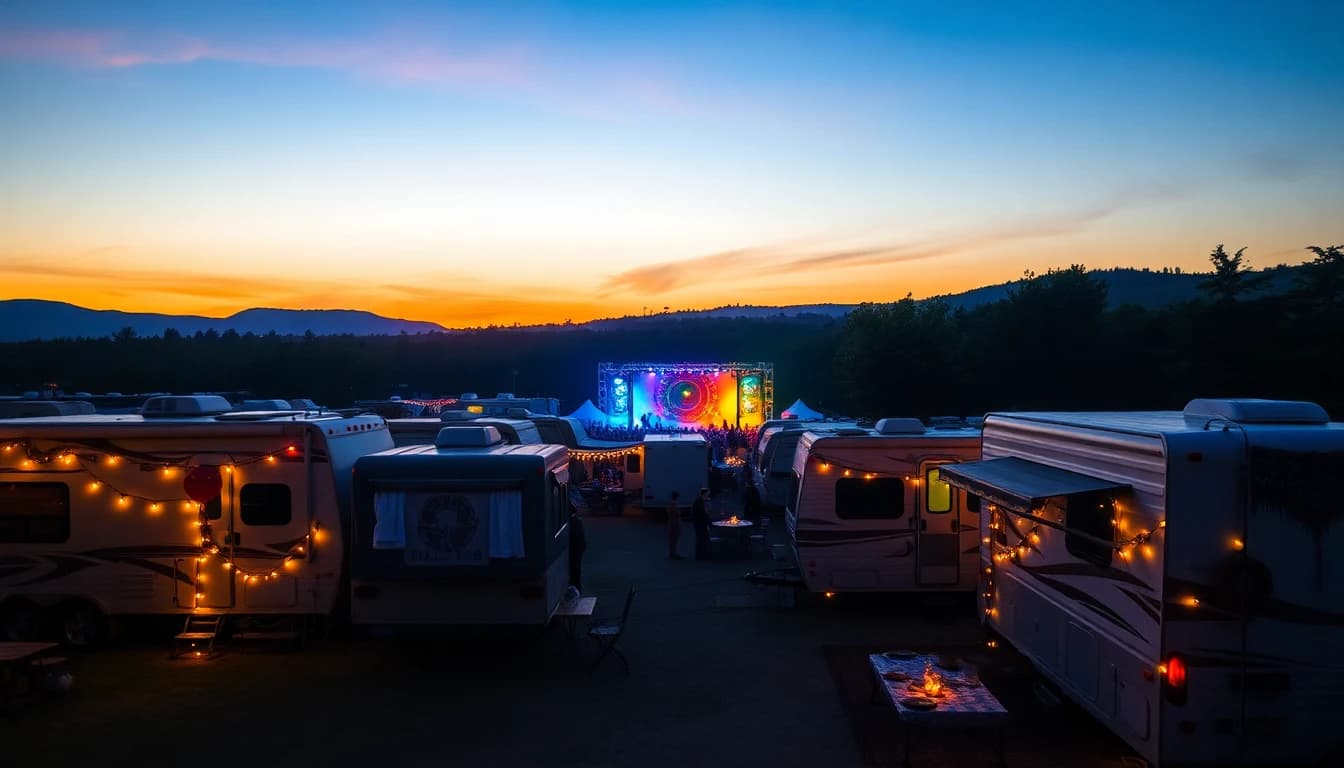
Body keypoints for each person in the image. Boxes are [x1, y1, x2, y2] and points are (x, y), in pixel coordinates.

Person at [568, 503, 587, 590]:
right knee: (576, 567)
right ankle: (577, 585)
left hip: (575, 548)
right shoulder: (577, 521)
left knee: (575, 568)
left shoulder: (572, 522)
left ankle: (575, 585)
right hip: (579, 548)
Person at [692, 487, 712, 560]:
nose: (708, 496)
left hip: (700, 523)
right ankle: (700, 556)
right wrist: (709, 521)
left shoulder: (700, 501)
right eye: (707, 494)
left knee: (703, 538)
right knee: (701, 539)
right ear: (704, 494)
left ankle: (702, 554)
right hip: (700, 524)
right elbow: (702, 514)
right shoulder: (699, 502)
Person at [666, 491, 683, 559]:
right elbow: (677, 513)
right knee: (674, 538)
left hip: (671, 522)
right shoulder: (674, 504)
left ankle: (672, 553)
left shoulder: (671, 503)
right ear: (676, 497)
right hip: (675, 523)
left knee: (672, 539)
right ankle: (673, 554)